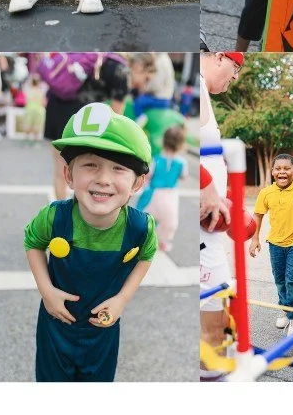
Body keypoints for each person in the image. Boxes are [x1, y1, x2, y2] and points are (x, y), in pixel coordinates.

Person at [24, 103, 156, 382]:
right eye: (90, 165)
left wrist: (122, 299)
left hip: (103, 330)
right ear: (69, 174)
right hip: (55, 324)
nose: (103, 179)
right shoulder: (53, 218)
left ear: (137, 183)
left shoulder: (140, 227)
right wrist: (46, 291)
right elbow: (32, 242)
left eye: (119, 168)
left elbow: (147, 255)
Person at [198, 50, 243, 364]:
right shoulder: (196, 84)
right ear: (217, 57)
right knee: (214, 328)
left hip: (206, 225)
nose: (236, 76)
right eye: (235, 67)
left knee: (214, 323)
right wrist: (207, 188)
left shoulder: (200, 87)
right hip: (202, 229)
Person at [39, 53, 130, 201]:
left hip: (56, 108)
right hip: (84, 116)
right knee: (87, 171)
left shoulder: (84, 54)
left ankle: (62, 216)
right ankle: (83, 216)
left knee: (60, 171)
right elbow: (117, 112)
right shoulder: (119, 67)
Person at [249, 153, 293, 337]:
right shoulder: (266, 192)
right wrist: (255, 238)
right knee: (280, 279)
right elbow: (258, 215)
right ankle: (284, 307)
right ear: (273, 172)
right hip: (275, 243)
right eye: (278, 168)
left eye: (287, 168)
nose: (282, 172)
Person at [136, 125, 189, 251]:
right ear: (181, 144)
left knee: (144, 217)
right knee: (168, 221)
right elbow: (184, 177)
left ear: (164, 141)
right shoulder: (182, 162)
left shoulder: (156, 159)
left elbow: (148, 175)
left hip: (153, 193)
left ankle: (140, 240)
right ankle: (162, 241)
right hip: (170, 195)